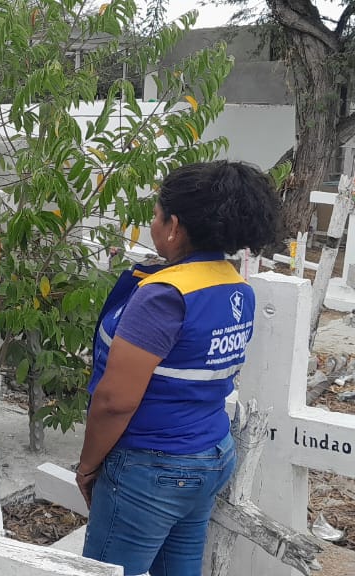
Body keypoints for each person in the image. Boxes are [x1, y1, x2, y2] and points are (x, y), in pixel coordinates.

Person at [76, 161, 281, 576]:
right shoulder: (236, 286)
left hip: (153, 467)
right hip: (210, 454)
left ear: (173, 227)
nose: (152, 224)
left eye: (156, 215)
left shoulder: (164, 296)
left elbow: (115, 401)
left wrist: (87, 466)